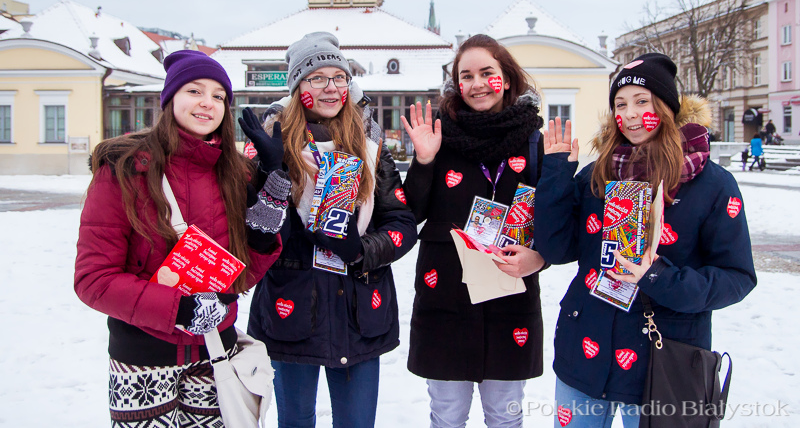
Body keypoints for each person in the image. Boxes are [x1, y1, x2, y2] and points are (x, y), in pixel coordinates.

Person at [534, 53, 756, 427]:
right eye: (621, 104)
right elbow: (556, 248)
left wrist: (658, 276)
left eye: (642, 101)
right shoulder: (598, 174)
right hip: (584, 354)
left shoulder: (712, 184)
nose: (631, 113)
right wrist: (556, 173)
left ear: (667, 108)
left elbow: (737, 277)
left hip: (663, 362)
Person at [75, 50, 289, 427]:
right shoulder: (125, 170)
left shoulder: (234, 173)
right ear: (170, 98)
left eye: (218, 96)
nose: (207, 103)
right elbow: (93, 279)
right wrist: (180, 309)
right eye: (194, 90)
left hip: (214, 355)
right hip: (142, 358)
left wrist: (273, 181)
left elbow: (241, 274)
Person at [245, 32, 418, 428]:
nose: (330, 88)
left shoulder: (371, 148)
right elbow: (253, 232)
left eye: (338, 77)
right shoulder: (271, 144)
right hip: (292, 310)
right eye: (316, 78)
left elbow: (402, 224)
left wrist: (360, 249)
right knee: (295, 420)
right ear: (297, 86)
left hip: (358, 311)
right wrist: (273, 173)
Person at [401, 34, 547, 428]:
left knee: (504, 416)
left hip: (508, 295)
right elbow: (410, 212)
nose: (478, 83)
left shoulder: (534, 142)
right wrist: (424, 161)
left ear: (507, 77)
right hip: (446, 296)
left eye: (487, 72)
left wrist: (539, 257)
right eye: (467, 75)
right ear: (456, 84)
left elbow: (551, 219)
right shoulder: (437, 136)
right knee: (447, 416)